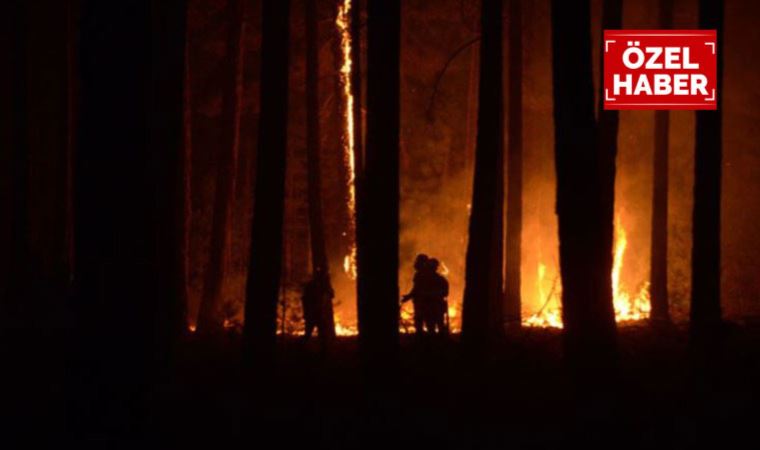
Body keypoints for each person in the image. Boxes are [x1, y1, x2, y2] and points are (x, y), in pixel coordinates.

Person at [401, 254, 434, 336]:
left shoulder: (421, 274)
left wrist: (408, 297)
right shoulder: (427, 273)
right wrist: (408, 296)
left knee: (421, 322)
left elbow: (417, 289)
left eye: (418, 261)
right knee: (428, 323)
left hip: (423, 302)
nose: (416, 263)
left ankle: (422, 342)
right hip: (425, 302)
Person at [301, 268, 335, 346]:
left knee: (321, 334)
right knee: (310, 334)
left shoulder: (322, 285)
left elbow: (332, 295)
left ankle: (322, 352)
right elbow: (305, 300)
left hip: (317, 314)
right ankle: (302, 350)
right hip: (314, 314)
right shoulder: (313, 286)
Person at [426, 258, 450, 336]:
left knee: (434, 327)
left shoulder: (440, 279)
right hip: (431, 306)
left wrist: (432, 294)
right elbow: (445, 293)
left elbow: (445, 293)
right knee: (434, 327)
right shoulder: (441, 279)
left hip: (435, 306)